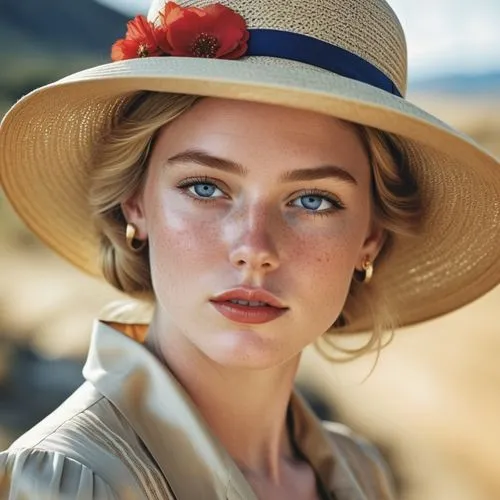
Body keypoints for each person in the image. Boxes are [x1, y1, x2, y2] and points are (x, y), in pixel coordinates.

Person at [0, 0, 499, 498]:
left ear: (370, 238)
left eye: (312, 199)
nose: (253, 248)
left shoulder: (361, 473)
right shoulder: (72, 479)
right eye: (205, 188)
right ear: (136, 204)